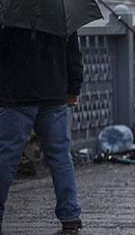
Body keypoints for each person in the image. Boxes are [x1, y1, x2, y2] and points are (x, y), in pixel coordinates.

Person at [0, 27, 84, 233]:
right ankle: (70, 217)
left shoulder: (8, 6)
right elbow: (73, 52)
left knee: (6, 157)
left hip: (16, 94)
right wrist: (74, 87)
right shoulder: (60, 4)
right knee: (60, 157)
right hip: (53, 92)